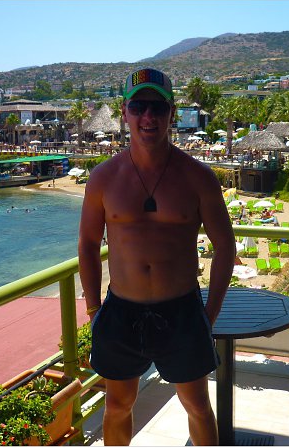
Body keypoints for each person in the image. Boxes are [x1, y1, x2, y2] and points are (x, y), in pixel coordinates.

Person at [78, 67, 236, 446]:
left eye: (158, 107)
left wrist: (209, 313)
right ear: (124, 112)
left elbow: (225, 246)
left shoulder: (198, 177)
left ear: (171, 112)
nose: (148, 116)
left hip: (182, 310)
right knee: (117, 406)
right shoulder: (103, 178)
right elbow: (87, 244)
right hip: (121, 310)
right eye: (138, 106)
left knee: (197, 405)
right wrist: (94, 310)